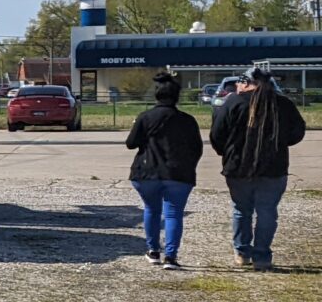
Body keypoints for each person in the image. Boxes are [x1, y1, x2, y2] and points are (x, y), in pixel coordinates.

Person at [209, 64, 305, 270]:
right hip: (274, 167)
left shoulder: (233, 102)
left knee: (241, 210)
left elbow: (217, 134)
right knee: (267, 211)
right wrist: (279, 144)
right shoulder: (283, 104)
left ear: (247, 83)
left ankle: (242, 252)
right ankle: (262, 256)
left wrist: (227, 152)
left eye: (240, 82)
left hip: (238, 167)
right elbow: (297, 132)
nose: (237, 85)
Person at [123, 72, 201, 269]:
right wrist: (189, 165)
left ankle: (153, 251)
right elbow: (197, 149)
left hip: (148, 172)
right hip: (178, 173)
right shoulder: (188, 120)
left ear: (156, 95)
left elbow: (131, 144)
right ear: (177, 96)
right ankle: (171, 257)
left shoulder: (145, 117)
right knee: (174, 214)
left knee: (152, 210)